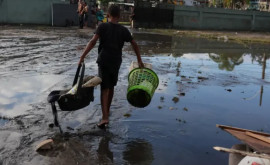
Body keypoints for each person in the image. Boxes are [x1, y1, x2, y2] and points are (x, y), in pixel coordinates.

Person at [78, 4, 144, 129]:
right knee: (111, 87)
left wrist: (82, 57)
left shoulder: (102, 26)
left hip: (104, 60)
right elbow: (134, 44)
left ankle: (104, 117)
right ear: (119, 17)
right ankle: (106, 112)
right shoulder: (123, 30)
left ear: (107, 15)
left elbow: (92, 42)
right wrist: (139, 60)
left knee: (104, 88)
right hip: (116, 61)